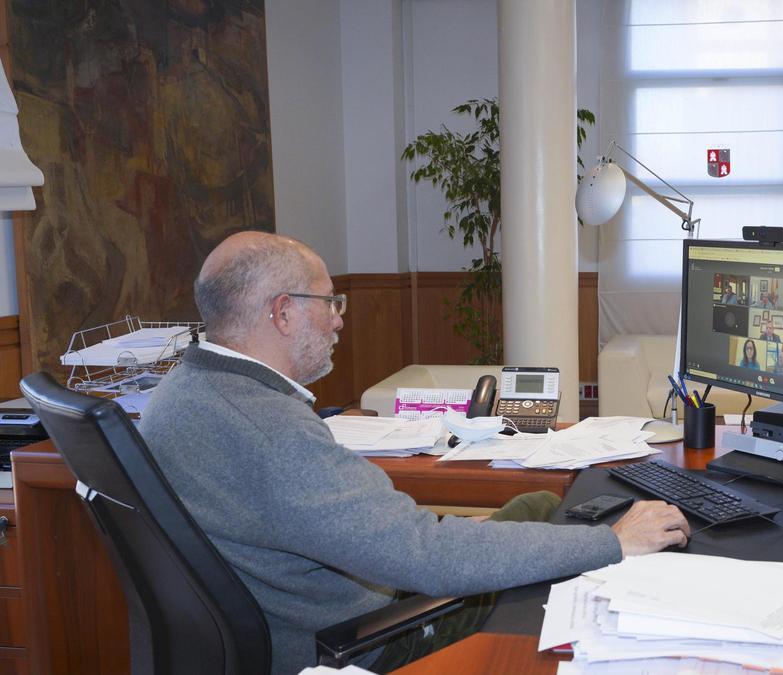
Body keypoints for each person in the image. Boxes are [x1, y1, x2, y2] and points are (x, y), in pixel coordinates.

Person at [139, 232, 689, 675]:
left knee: (538, 504)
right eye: (329, 302)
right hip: (365, 641)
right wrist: (613, 543)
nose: (338, 319)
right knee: (572, 580)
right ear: (282, 313)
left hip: (299, 611)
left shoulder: (176, 393)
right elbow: (427, 555)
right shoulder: (270, 432)